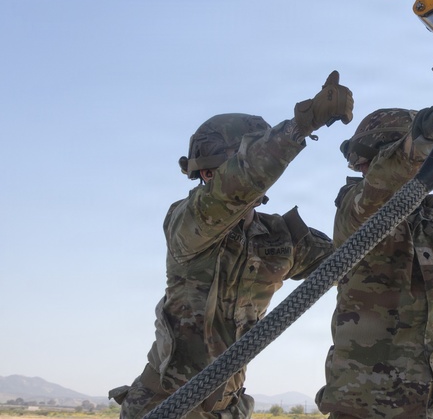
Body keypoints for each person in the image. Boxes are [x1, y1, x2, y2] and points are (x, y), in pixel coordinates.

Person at [110, 70, 355, 419]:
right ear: (208, 174)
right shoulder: (187, 223)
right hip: (167, 405)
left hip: (229, 407)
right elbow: (237, 185)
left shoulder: (278, 237)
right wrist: (299, 127)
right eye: (235, 164)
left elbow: (356, 259)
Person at [315, 86, 433, 419]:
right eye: (362, 165)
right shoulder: (355, 209)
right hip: (363, 405)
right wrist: (432, 130)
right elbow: (381, 186)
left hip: (432, 406)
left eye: (366, 162)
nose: (361, 171)